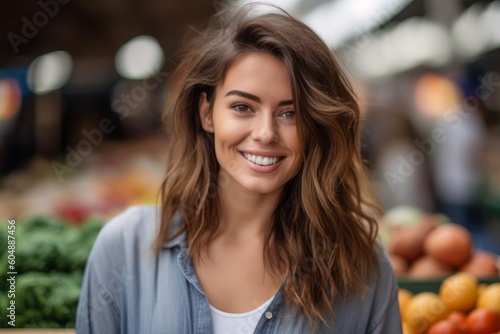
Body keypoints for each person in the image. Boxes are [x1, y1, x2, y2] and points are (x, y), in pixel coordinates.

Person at [76, 4, 402, 333]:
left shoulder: (363, 270)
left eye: (290, 113)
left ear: (316, 125)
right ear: (207, 113)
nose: (265, 133)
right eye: (243, 107)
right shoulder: (124, 248)